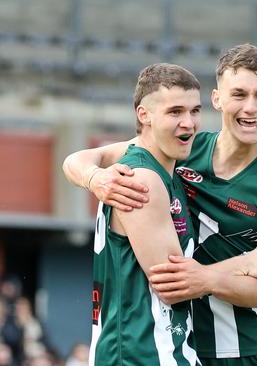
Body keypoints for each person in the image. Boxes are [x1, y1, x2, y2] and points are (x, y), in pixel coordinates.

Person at [63, 44, 257, 365]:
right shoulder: (178, 147)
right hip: (181, 346)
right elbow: (76, 160)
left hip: (253, 349)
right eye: (239, 94)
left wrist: (206, 278)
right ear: (217, 100)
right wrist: (95, 179)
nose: (251, 107)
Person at [85, 62, 203, 365]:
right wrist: (247, 269)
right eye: (175, 112)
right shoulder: (143, 179)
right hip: (141, 353)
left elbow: (82, 159)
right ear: (144, 115)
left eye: (194, 111)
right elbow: (174, 286)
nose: (188, 123)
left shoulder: (164, 168)